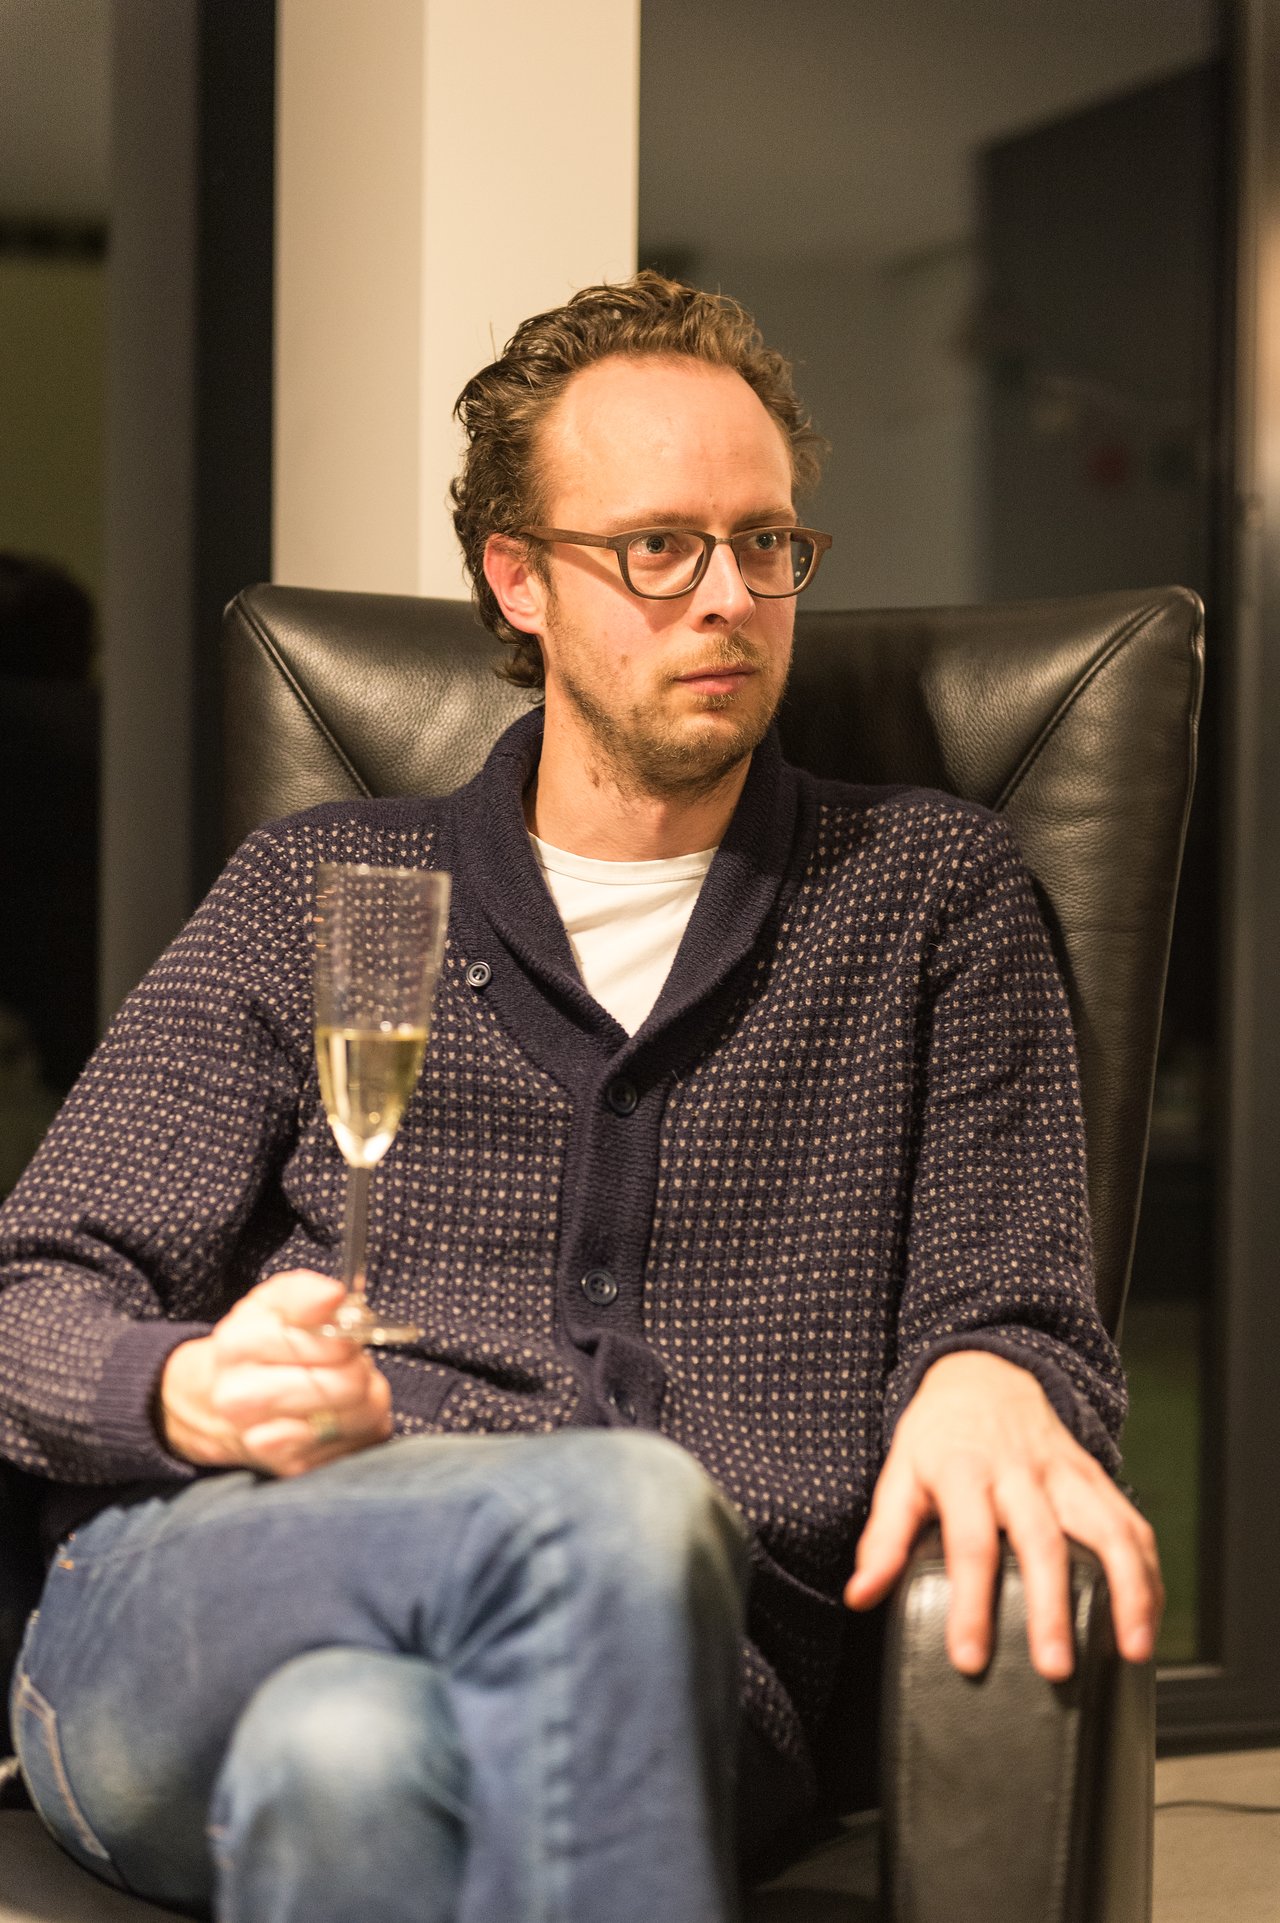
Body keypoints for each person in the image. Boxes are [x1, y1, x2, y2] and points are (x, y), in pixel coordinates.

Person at [0, 274, 1162, 1923]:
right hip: (223, 1592)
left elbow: (1027, 1310)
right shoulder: (318, 888)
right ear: (518, 579)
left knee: (352, 1763)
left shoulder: (926, 900)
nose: (731, 599)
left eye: (767, 543)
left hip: (690, 1673)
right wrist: (186, 1388)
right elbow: (27, 1294)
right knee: (610, 1507)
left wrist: (992, 1360)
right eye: (657, 547)